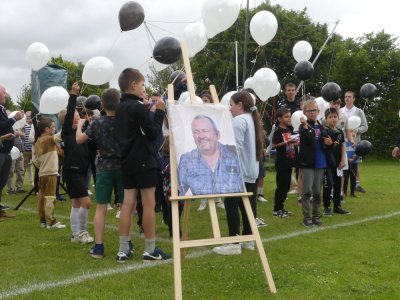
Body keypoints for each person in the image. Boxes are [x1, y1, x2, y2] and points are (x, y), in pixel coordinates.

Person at [115, 68, 170, 262]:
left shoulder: (120, 107)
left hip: (127, 160)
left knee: (127, 204)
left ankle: (123, 249)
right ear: (134, 85)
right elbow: (154, 132)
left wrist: (148, 110)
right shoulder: (137, 107)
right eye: (143, 85)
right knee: (148, 204)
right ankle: (150, 249)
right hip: (144, 161)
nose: (144, 89)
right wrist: (160, 111)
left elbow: (136, 126)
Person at [213, 91, 264, 255]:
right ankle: (248, 239)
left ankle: (233, 243)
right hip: (251, 170)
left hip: (239, 171)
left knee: (231, 204)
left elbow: (236, 149)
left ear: (240, 105)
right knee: (248, 204)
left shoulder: (239, 120)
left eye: (231, 105)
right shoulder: (251, 119)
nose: (230, 108)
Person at [76, 88, 124, 259]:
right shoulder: (125, 121)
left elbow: (79, 139)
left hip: (104, 167)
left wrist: (80, 126)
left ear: (102, 104)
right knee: (125, 207)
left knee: (101, 207)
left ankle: (98, 246)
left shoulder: (96, 122)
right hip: (122, 167)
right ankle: (125, 245)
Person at [59, 82, 93, 244]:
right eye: (76, 117)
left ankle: (75, 234)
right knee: (86, 203)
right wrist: (73, 94)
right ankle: (82, 232)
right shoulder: (67, 132)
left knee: (77, 203)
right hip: (71, 170)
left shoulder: (82, 133)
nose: (79, 118)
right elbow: (70, 111)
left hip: (80, 170)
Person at [178, 115, 244, 195]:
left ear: (217, 134)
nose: (201, 136)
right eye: (196, 132)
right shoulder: (186, 160)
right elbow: (181, 194)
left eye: (205, 130)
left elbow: (241, 188)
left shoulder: (233, 157)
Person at [298, 99, 331, 227]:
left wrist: (329, 142)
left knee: (317, 191)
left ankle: (316, 216)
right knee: (307, 191)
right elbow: (309, 139)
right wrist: (306, 126)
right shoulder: (303, 126)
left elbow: (327, 139)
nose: (313, 113)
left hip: (320, 162)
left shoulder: (320, 125)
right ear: (304, 112)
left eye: (315, 110)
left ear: (318, 111)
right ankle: (306, 217)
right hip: (308, 163)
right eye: (310, 110)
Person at [33, 116, 66, 229]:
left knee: (42, 197)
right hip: (50, 173)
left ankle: (43, 221)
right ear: (46, 129)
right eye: (52, 127)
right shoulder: (47, 139)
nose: (54, 129)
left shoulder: (38, 141)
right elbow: (61, 135)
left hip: (42, 173)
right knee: (50, 197)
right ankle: (51, 222)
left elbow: (35, 161)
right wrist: (68, 123)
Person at [322, 108, 351, 216]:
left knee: (338, 184)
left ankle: (337, 206)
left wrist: (343, 159)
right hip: (328, 162)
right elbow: (326, 146)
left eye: (335, 117)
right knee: (327, 184)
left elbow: (342, 145)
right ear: (326, 119)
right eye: (330, 117)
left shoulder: (340, 131)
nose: (333, 119)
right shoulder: (324, 131)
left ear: (338, 118)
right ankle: (326, 207)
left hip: (339, 162)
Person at [0, 84, 24, 212]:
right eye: (4, 92)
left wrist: (14, 134)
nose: (6, 95)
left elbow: (5, 127)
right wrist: (14, 118)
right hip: (1, 150)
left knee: (3, 178)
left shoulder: (2, 108)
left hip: (6, 150)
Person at [272, 107, 298, 218]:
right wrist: (287, 142)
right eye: (286, 116)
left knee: (287, 186)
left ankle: (281, 208)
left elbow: (290, 143)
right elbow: (274, 145)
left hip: (289, 160)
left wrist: (294, 143)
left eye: (289, 116)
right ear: (279, 118)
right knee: (281, 186)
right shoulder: (278, 131)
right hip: (282, 162)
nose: (289, 118)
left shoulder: (288, 129)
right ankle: (276, 209)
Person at [340, 91, 368, 193]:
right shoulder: (340, 111)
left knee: (355, 164)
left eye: (349, 97)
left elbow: (365, 126)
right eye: (345, 97)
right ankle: (342, 189)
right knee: (343, 164)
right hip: (342, 142)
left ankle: (356, 185)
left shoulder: (359, 111)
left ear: (354, 99)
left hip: (354, 143)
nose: (347, 98)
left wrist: (356, 131)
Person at [6, 128, 25, 194]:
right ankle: (10, 189)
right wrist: (14, 134)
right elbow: (5, 137)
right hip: (12, 152)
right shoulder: (9, 126)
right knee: (11, 171)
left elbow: (23, 139)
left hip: (20, 152)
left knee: (21, 170)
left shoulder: (20, 127)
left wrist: (23, 136)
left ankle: (19, 187)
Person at [22, 111, 33, 186]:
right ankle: (20, 185)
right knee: (23, 168)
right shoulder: (23, 125)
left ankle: (33, 183)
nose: (28, 118)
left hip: (33, 150)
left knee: (33, 168)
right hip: (25, 150)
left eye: (29, 116)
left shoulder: (34, 125)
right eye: (27, 116)